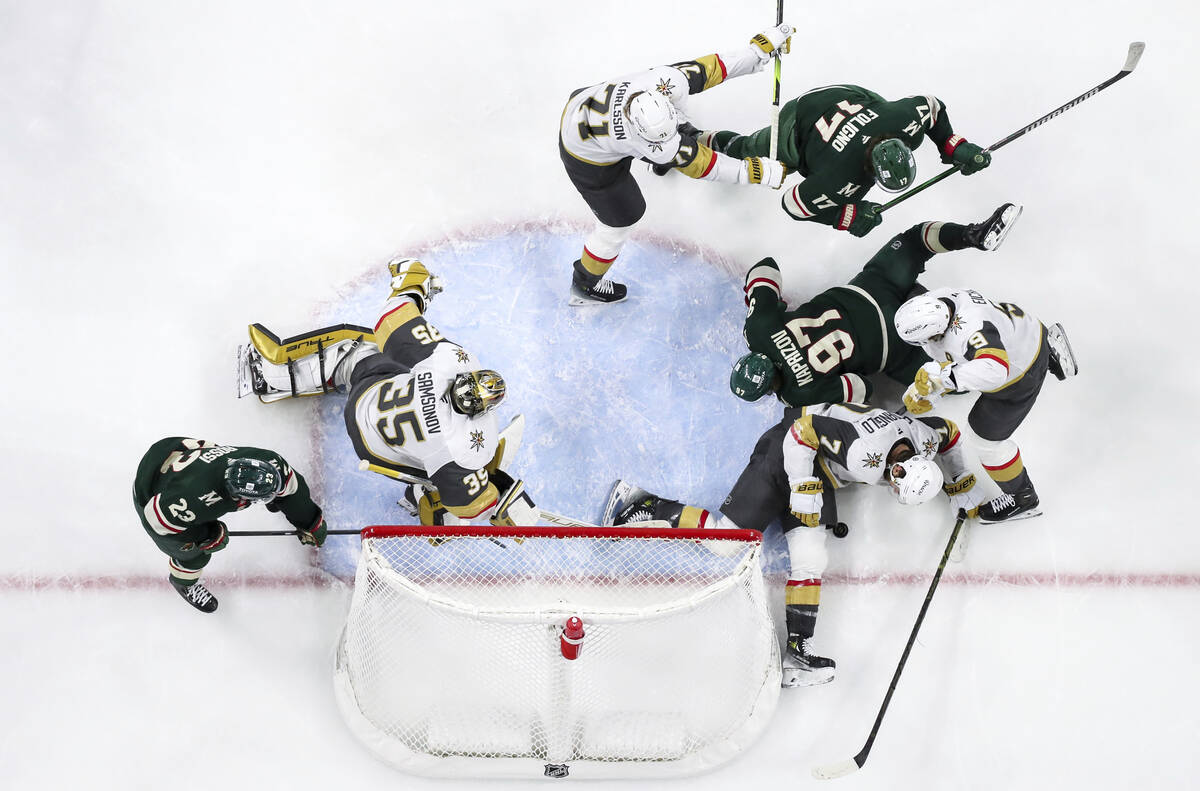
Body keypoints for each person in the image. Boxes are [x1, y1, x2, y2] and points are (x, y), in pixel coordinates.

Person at [601, 401, 988, 687]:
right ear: (898, 469)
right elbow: (801, 432)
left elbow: (950, 431)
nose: (889, 486)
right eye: (893, 483)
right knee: (726, 542)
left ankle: (797, 654)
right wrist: (802, 486)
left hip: (817, 466)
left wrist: (960, 481)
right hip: (789, 448)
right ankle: (640, 503)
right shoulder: (861, 452)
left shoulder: (923, 441)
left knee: (810, 557)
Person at [237, 258, 537, 529]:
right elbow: (469, 508)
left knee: (358, 347)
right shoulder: (463, 450)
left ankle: (271, 375)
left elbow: (390, 321)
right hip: (379, 455)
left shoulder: (447, 361)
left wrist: (413, 285)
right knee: (444, 474)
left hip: (366, 401)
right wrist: (497, 501)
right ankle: (427, 501)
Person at [559, 24, 794, 305]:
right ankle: (584, 285)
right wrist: (756, 172)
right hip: (584, 155)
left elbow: (711, 69)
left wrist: (757, 52)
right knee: (621, 220)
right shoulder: (651, 142)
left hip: (582, 103)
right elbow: (706, 166)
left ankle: (663, 158)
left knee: (680, 143)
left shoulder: (662, 81)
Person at [730, 203, 1022, 408]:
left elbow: (861, 389)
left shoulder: (796, 394)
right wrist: (763, 306)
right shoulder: (757, 331)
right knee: (915, 241)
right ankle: (975, 234)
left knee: (947, 380)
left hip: (894, 348)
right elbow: (765, 269)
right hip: (873, 289)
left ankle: (1022, 350)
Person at [701, 85, 993, 237]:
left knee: (879, 104)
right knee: (754, 152)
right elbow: (792, 204)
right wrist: (845, 216)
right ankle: (698, 138)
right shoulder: (840, 178)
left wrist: (953, 145)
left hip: (852, 97)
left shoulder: (905, 121)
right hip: (805, 118)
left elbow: (933, 105)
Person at [894, 286, 1078, 523]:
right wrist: (933, 387)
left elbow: (995, 371)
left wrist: (943, 380)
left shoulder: (969, 332)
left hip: (1021, 372)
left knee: (984, 439)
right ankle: (1046, 349)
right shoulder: (938, 300)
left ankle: (1022, 498)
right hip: (1028, 330)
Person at [133, 437, 327, 613]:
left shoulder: (269, 460)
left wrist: (310, 521)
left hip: (177, 453)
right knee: (193, 553)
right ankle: (184, 582)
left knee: (282, 494)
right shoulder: (192, 499)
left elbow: (292, 488)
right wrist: (206, 535)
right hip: (153, 488)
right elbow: (155, 522)